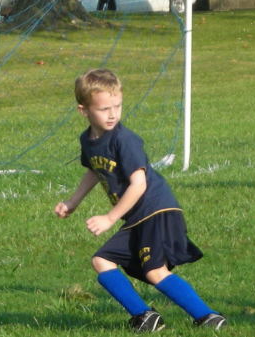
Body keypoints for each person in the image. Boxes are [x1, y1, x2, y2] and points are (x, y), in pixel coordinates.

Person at [55, 68, 226, 332]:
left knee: (154, 271)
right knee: (102, 261)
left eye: (117, 106)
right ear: (84, 110)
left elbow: (139, 184)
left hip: (157, 210)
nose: (112, 114)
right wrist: (72, 202)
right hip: (137, 217)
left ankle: (208, 317)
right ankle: (145, 316)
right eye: (104, 109)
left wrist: (110, 218)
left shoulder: (124, 139)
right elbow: (94, 170)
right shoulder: (88, 141)